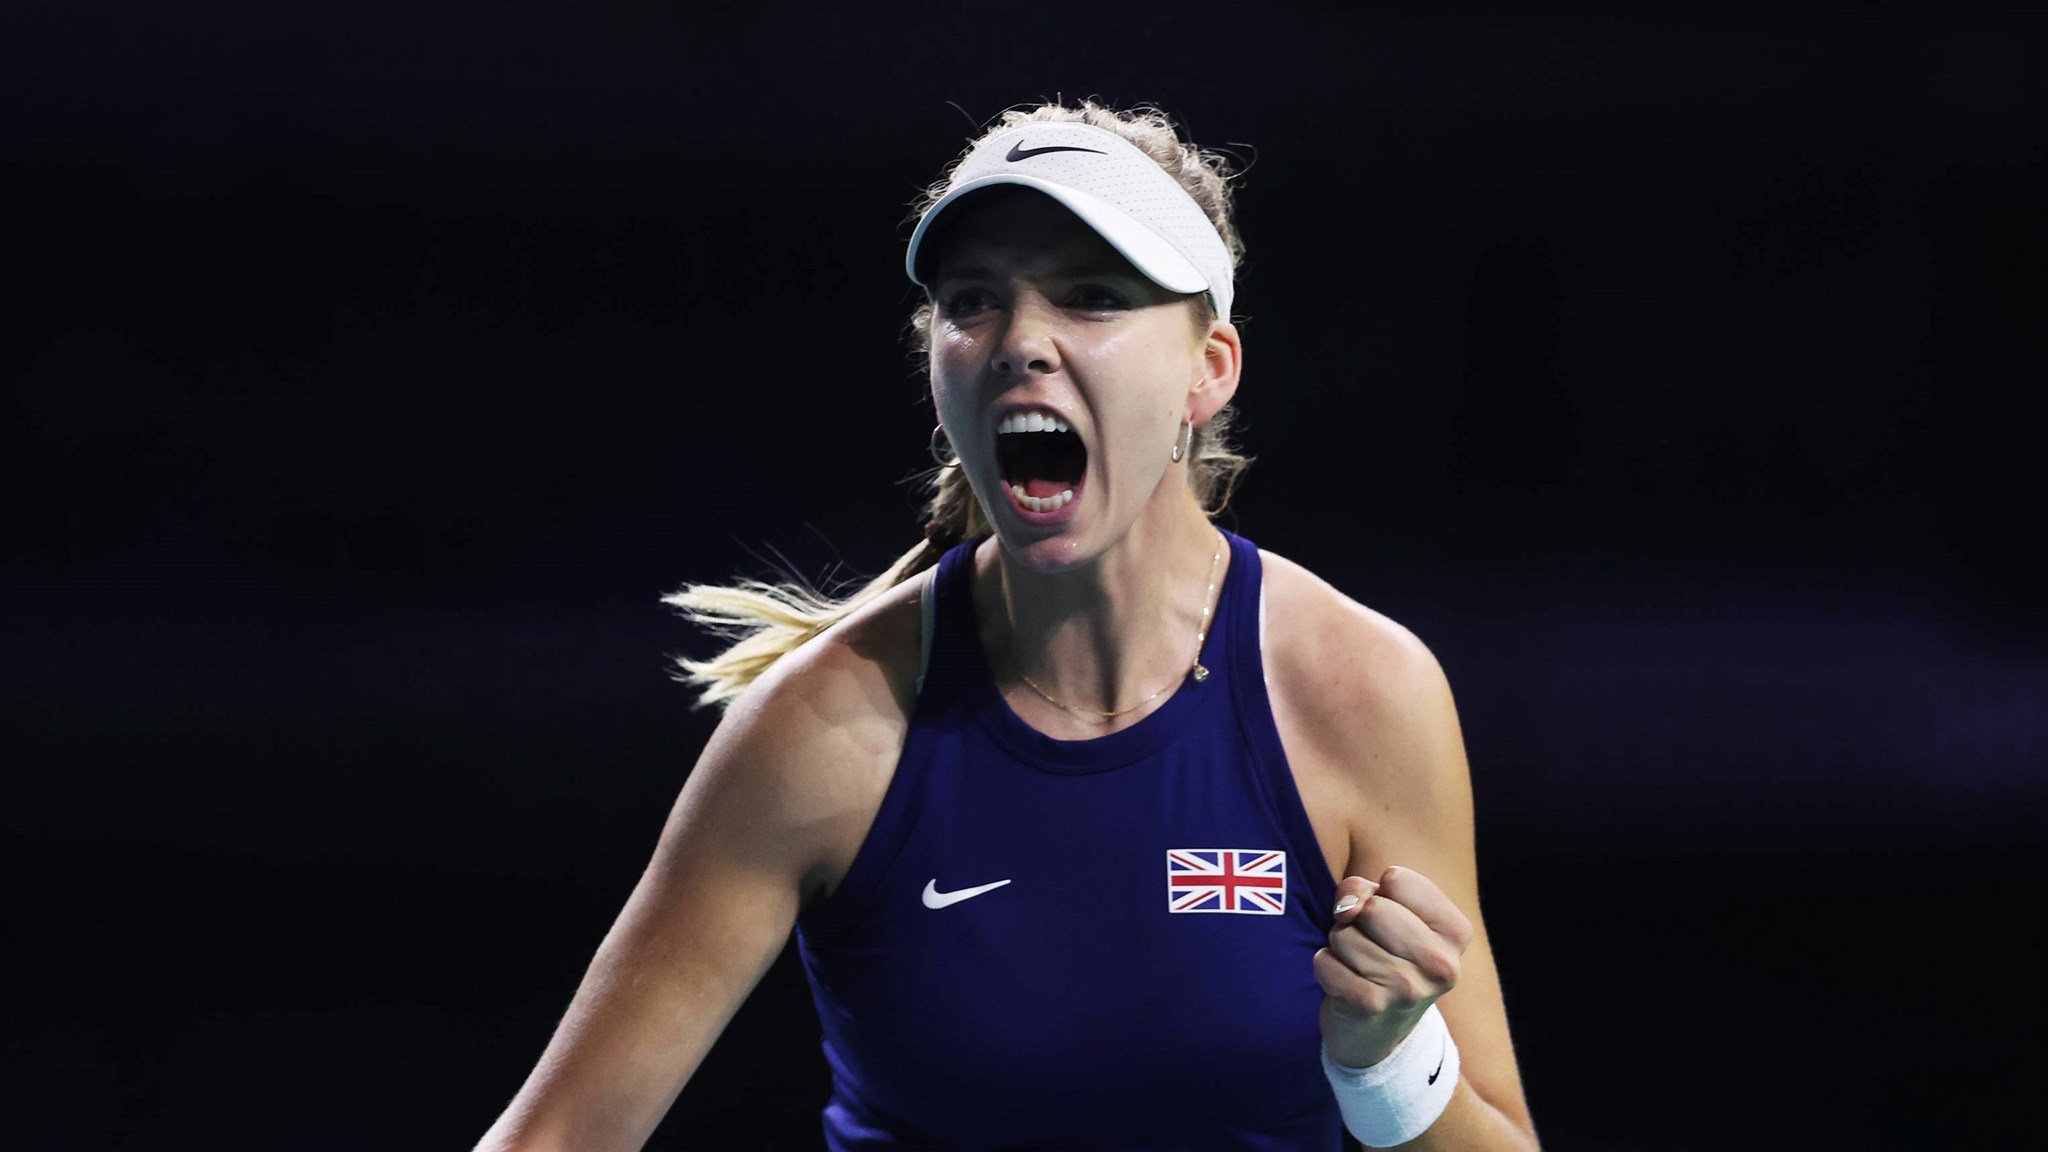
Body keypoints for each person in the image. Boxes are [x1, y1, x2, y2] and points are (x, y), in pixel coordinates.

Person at [474, 101, 1539, 1152]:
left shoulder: (1361, 694)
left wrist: (1385, 1063)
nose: (1020, 341)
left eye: (1089, 297)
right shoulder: (820, 730)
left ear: (1206, 370)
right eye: (973, 301)